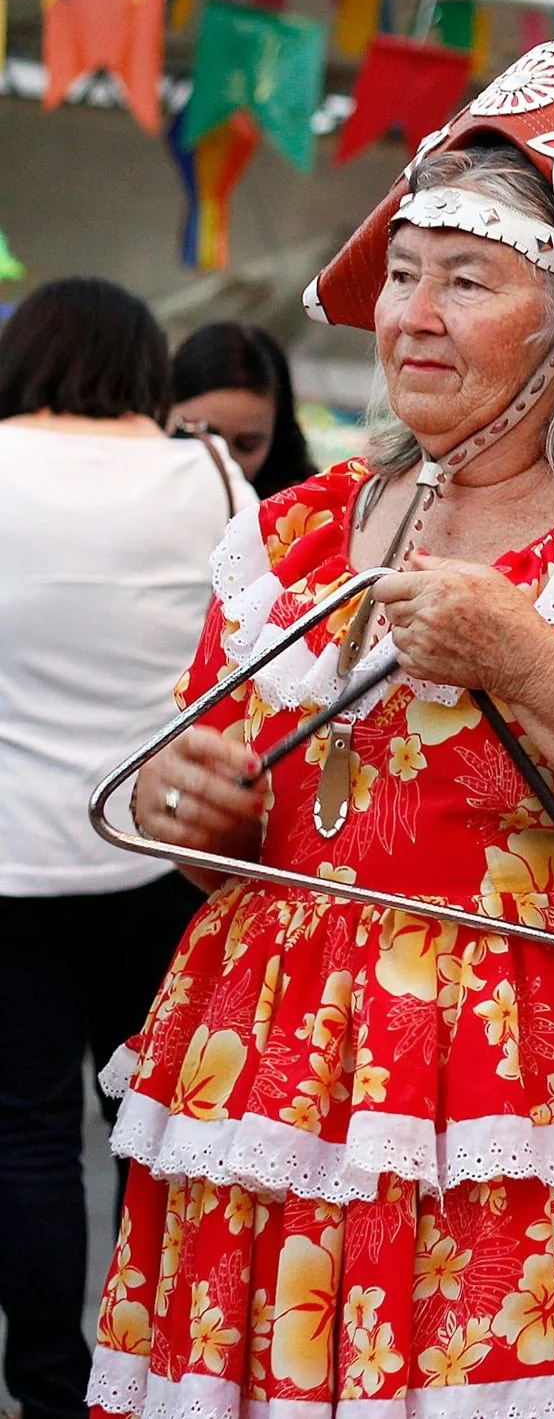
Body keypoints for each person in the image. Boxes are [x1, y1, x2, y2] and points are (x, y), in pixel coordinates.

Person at [88, 45, 554, 1417]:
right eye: (407, 273)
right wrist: (198, 819)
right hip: (286, 1121)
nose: (411, 317)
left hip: (553, 1129)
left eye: (468, 279)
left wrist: (532, 664)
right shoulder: (295, 535)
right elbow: (262, 841)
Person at [0, 278, 252, 1419]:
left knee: (28, 1138)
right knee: (153, 1129)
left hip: (9, 861)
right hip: (161, 853)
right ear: (147, 368)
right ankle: (153, 1377)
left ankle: (48, 1389)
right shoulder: (206, 476)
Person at [168, 321, 319, 497]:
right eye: (199, 435)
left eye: (247, 445)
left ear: (277, 439)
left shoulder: (301, 514)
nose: (224, 463)